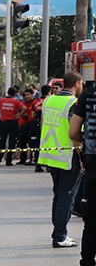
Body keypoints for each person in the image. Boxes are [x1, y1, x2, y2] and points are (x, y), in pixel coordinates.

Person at [39, 70, 83, 249]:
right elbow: (74, 133)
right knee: (67, 198)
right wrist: (81, 157)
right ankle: (60, 236)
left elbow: (43, 124)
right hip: (67, 157)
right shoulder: (73, 103)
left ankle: (57, 233)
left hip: (50, 155)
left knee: (58, 196)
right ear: (77, 84)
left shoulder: (49, 99)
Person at [70, 77, 96, 266]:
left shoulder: (89, 95)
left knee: (92, 226)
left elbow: (73, 132)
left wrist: (84, 147)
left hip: (94, 167)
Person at [0, 87, 26, 166]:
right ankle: (8, 161)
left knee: (2, 142)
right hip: (13, 123)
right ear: (15, 94)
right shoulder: (15, 101)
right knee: (12, 142)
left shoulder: (1, 101)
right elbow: (24, 108)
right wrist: (18, 115)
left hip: (3, 123)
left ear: (7, 92)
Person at [32, 85, 51, 173]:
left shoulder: (35, 102)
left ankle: (37, 164)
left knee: (38, 145)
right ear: (48, 92)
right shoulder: (50, 101)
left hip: (37, 124)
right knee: (48, 144)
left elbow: (32, 115)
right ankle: (48, 165)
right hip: (47, 125)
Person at [16, 89, 37, 164]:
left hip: (31, 125)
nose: (26, 97)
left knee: (32, 143)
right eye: (25, 95)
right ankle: (23, 159)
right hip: (22, 125)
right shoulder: (23, 104)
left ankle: (33, 159)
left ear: (32, 95)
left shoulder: (35, 103)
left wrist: (26, 116)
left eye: (28, 94)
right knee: (22, 143)